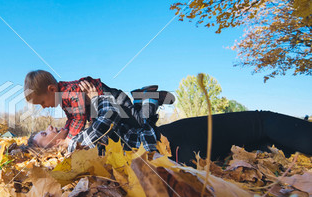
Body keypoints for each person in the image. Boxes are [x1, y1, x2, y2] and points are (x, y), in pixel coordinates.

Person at [28, 81, 312, 165]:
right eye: (44, 134)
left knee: (260, 142)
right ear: (49, 151)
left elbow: (121, 125)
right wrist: (96, 96)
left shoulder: (77, 132)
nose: (50, 126)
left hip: (168, 147)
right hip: (170, 143)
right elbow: (107, 119)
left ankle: (147, 99)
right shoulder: (76, 146)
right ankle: (147, 99)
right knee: (260, 122)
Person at [24, 70, 175, 147]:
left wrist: (69, 139)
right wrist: (67, 133)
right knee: (132, 121)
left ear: (51, 89)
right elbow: (72, 120)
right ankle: (139, 98)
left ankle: (148, 96)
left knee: (140, 121)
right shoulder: (64, 98)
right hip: (107, 106)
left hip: (114, 100)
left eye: (42, 102)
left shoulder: (69, 94)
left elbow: (79, 118)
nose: (43, 107)